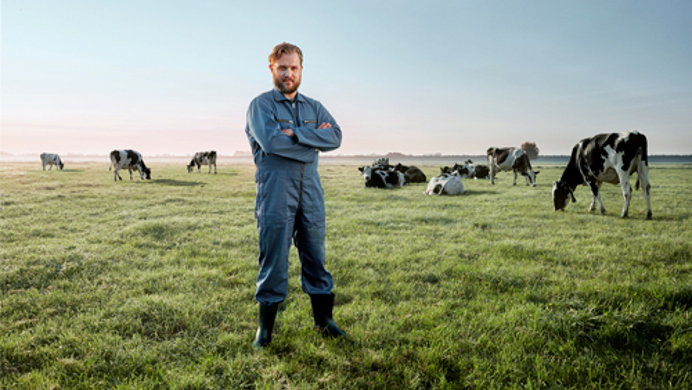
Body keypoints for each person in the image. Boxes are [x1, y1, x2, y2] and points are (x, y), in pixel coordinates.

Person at [245, 42, 347, 348]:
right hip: (276, 190)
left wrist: (297, 134)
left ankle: (324, 321)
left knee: (316, 255)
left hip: (311, 192)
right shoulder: (260, 106)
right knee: (274, 258)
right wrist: (314, 143)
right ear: (272, 69)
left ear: (301, 69)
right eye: (282, 68)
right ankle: (265, 330)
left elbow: (337, 136)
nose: (288, 73)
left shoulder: (314, 107)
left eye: (293, 68)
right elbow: (273, 144)